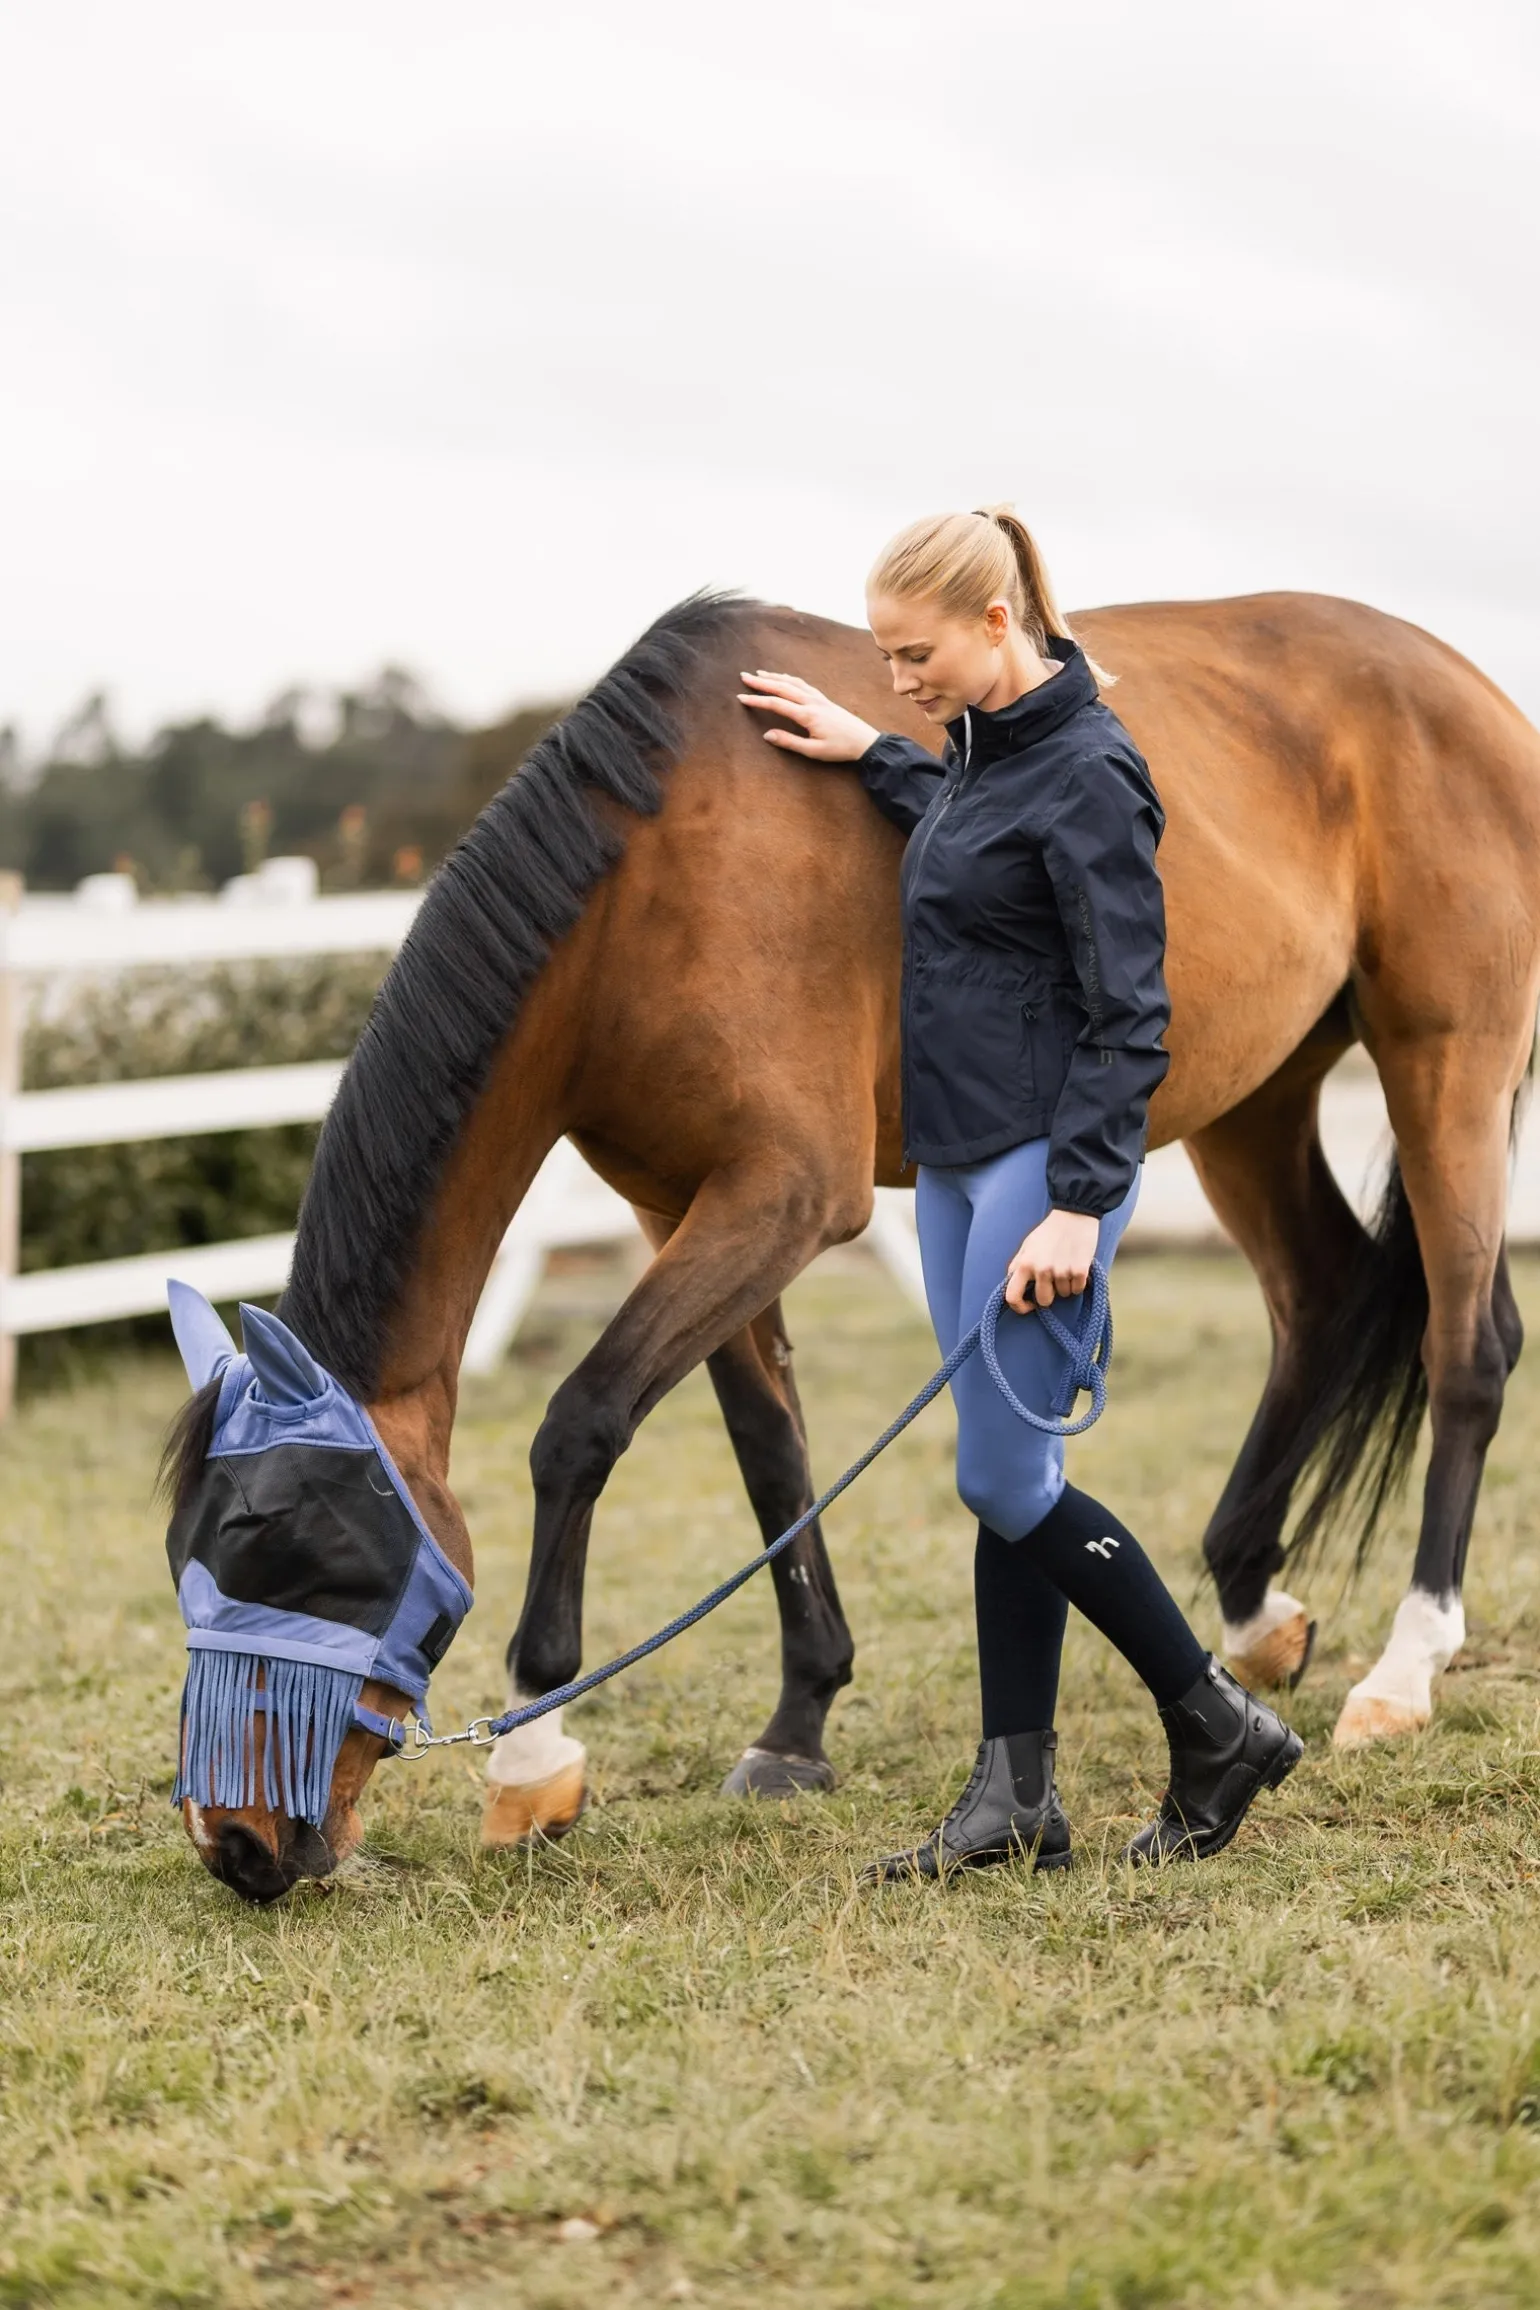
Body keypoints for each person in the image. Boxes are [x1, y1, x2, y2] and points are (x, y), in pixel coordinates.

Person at [737, 507, 1302, 1874]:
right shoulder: (981, 754)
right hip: (955, 1157)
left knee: (1001, 1474)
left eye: (914, 655)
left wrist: (1079, 1202)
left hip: (1044, 1169)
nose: (897, 679)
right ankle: (1015, 1800)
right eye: (884, 656)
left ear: (997, 623)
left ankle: (1218, 1724)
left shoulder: (1094, 770)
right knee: (1012, 1478)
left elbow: (1132, 1013)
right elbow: (971, 826)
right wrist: (873, 749)